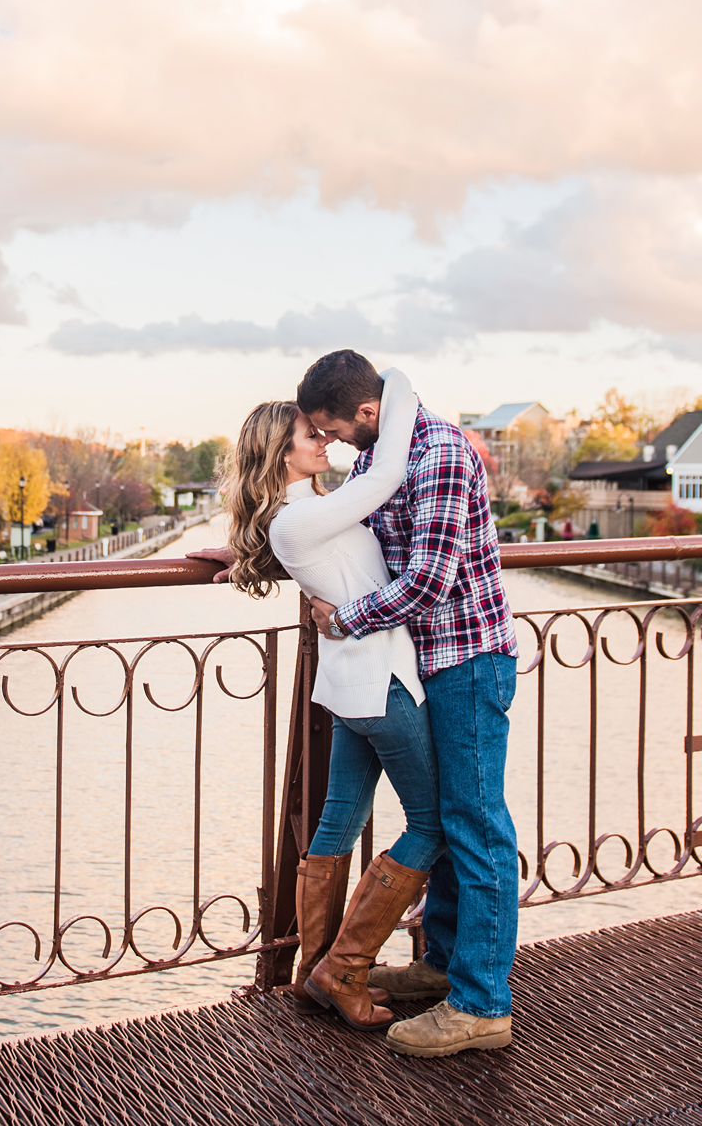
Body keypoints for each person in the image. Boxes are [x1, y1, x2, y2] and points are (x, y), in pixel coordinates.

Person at [296, 349, 518, 1059]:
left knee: (478, 825)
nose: (329, 445)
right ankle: (444, 963)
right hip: (429, 662)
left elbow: (427, 582)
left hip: (468, 660)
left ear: (367, 413)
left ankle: (482, 1004)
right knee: (453, 816)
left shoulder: (443, 454)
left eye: (332, 430)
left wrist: (343, 618)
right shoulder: (377, 459)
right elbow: (340, 536)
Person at [218, 369, 442, 1031]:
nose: (321, 438)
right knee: (431, 822)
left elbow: (285, 543)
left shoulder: (301, 515)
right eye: (306, 434)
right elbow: (381, 481)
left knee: (339, 822)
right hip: (380, 680)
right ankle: (342, 966)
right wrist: (397, 387)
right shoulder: (303, 519)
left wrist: (231, 554)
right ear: (277, 453)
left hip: (353, 685)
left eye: (319, 430)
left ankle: (316, 969)